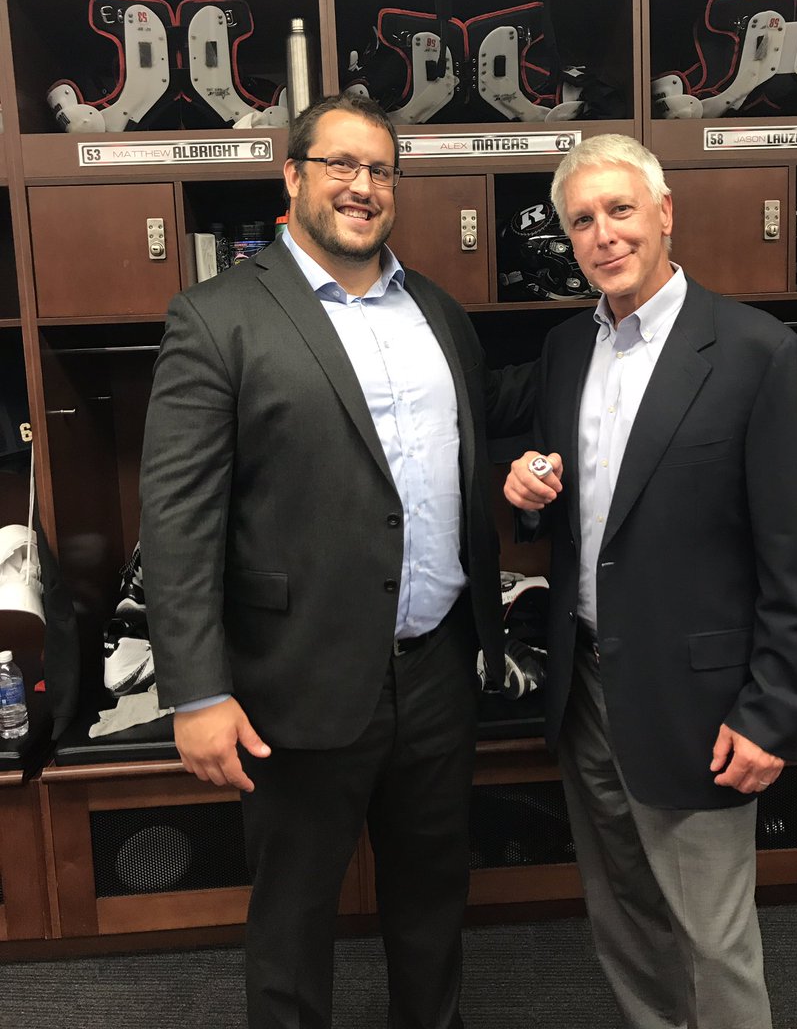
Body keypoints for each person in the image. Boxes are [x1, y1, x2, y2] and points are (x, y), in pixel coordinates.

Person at [140, 93, 534, 1029]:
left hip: (438, 669)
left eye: (380, 170)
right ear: (293, 176)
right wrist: (196, 693)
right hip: (296, 679)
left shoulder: (438, 311)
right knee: (293, 920)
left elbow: (470, 441)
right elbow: (177, 519)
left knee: (433, 902)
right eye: (340, 165)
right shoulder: (217, 317)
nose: (363, 186)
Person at [503, 134, 797, 1029]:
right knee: (623, 914)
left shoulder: (760, 353)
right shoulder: (566, 349)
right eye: (582, 221)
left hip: (703, 700)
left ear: (664, 213)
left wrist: (773, 712)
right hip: (586, 690)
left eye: (620, 210)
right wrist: (529, 493)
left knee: (711, 937)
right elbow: (580, 505)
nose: (604, 235)